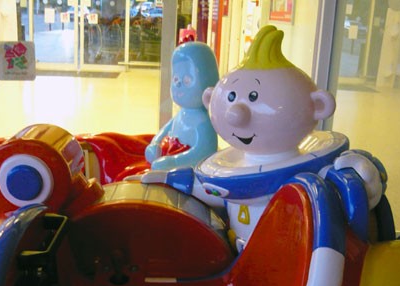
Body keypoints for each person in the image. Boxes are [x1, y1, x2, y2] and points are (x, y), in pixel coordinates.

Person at [142, 25, 385, 251]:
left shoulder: (310, 178)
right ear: (211, 100)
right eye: (232, 97)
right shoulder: (227, 177)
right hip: (240, 251)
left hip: (292, 255)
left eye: (254, 97)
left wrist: (362, 176)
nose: (237, 114)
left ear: (318, 106)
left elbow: (350, 193)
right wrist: (171, 178)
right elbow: (210, 190)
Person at [144, 41, 220, 170]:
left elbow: (201, 154)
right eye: (175, 79)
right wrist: (155, 143)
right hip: (167, 152)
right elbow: (165, 130)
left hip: (181, 169)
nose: (178, 84)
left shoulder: (204, 124)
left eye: (187, 80)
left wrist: (172, 162)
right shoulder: (181, 114)